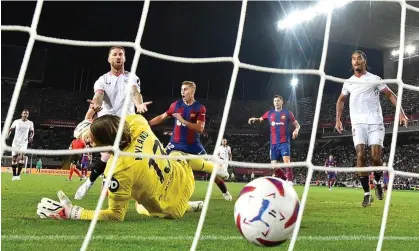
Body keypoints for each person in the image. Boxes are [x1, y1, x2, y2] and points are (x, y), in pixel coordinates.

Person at [36, 114, 209, 221]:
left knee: (142, 205)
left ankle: (186, 205)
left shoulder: (117, 170)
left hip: (172, 208)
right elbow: (117, 121)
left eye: (92, 139)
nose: (89, 142)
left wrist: (74, 212)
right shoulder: (137, 121)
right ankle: (216, 170)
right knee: (177, 154)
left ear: (104, 142)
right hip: (185, 178)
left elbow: (115, 216)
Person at [74, 46, 151, 200]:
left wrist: (139, 104)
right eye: (114, 54)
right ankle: (92, 183)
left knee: (123, 158)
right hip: (107, 123)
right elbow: (98, 95)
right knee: (108, 155)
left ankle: (93, 182)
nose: (118, 57)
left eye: (120, 54)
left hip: (127, 123)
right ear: (109, 59)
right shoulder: (102, 80)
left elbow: (135, 92)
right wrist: (96, 104)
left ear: (124, 58)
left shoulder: (131, 78)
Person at [335, 50, 409, 207]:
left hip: (375, 123)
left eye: (358, 58)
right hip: (358, 124)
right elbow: (341, 100)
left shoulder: (374, 79)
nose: (355, 61)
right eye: (353, 59)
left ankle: (378, 181)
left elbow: (389, 94)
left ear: (364, 61)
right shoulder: (348, 82)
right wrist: (338, 119)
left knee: (376, 158)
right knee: (360, 155)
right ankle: (367, 194)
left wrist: (401, 113)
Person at [149, 81, 232, 201]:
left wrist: (183, 120)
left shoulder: (199, 108)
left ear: (192, 91)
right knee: (161, 165)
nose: (183, 91)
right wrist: (148, 124)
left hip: (193, 146)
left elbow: (200, 128)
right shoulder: (175, 105)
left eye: (186, 89)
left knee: (211, 172)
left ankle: (224, 191)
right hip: (175, 145)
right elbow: (162, 117)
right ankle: (157, 193)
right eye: (182, 89)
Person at [248, 95, 300, 185]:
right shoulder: (269, 113)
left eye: (278, 101)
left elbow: (297, 124)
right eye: (275, 101)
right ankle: (285, 180)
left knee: (286, 161)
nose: (276, 102)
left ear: (282, 102)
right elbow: (260, 119)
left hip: (284, 142)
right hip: (273, 144)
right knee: (274, 166)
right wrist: (254, 119)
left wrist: (296, 130)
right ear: (273, 103)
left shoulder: (287, 113)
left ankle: (290, 181)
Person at [7, 109, 34, 181]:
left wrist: (31, 137)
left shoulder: (30, 123)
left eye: (27, 114)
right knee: (14, 158)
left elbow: (32, 131)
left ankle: (18, 175)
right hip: (15, 143)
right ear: (21, 114)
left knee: (22, 157)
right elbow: (10, 129)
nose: (25, 115)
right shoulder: (16, 121)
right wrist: (8, 135)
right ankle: (14, 175)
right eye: (24, 113)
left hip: (24, 143)